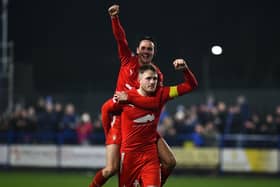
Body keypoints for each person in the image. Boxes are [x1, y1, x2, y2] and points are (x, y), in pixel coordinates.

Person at [89, 4, 179, 187]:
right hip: (122, 123)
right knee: (110, 169)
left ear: (154, 53)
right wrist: (114, 19)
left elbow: (155, 102)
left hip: (144, 127)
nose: (146, 51)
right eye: (143, 48)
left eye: (150, 49)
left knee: (170, 162)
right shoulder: (127, 62)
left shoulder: (156, 75)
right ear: (137, 50)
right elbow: (120, 39)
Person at [109, 60, 198, 186]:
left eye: (155, 79)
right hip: (129, 154)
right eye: (148, 78)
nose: (152, 82)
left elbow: (191, 85)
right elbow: (107, 110)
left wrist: (185, 69)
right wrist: (112, 140)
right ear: (139, 80)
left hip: (149, 151)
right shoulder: (124, 96)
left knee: (169, 163)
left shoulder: (161, 94)